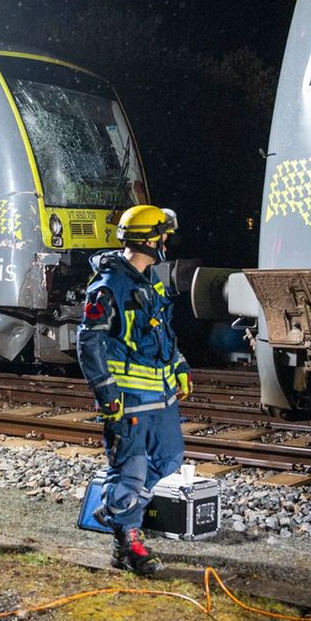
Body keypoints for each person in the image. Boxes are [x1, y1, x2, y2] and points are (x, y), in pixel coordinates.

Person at [78, 204, 192, 576]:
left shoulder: (149, 281)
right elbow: (88, 342)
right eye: (163, 235)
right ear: (149, 239)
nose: (166, 242)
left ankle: (113, 510)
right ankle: (127, 541)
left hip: (161, 397)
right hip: (128, 401)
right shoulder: (109, 286)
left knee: (171, 457)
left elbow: (162, 331)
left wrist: (179, 367)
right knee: (131, 471)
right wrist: (106, 393)